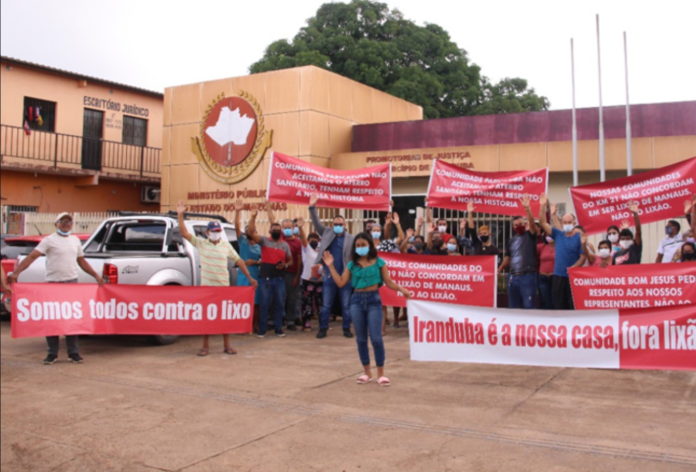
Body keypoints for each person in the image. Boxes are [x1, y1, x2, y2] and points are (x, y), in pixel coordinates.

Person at [7, 212, 104, 365]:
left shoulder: (75, 240)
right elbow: (32, 257)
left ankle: (74, 353)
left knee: (72, 319)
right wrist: (17, 272)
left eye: (69, 221)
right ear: (56, 224)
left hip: (71, 283)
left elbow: (81, 261)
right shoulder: (49, 240)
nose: (66, 224)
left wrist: (96, 276)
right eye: (62, 221)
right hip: (53, 284)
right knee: (52, 320)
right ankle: (52, 354)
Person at [322, 233, 411, 387]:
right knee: (361, 339)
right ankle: (367, 372)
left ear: (369, 245)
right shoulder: (352, 265)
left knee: (376, 339)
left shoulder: (379, 262)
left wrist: (402, 290)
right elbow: (341, 282)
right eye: (357, 246)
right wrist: (330, 266)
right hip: (356, 301)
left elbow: (388, 282)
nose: (360, 248)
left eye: (363, 245)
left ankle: (381, 374)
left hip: (373, 301)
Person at [177, 201, 256, 355]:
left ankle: (227, 345)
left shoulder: (226, 245)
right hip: (207, 288)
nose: (216, 233)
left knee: (223, 318)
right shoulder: (201, 243)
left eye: (218, 230)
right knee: (207, 319)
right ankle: (205, 347)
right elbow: (184, 233)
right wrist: (180, 215)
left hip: (223, 288)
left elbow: (239, 261)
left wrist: (250, 277)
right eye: (213, 231)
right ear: (208, 232)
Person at [309, 193, 355, 339]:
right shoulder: (327, 233)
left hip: (345, 276)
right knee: (327, 305)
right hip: (329, 275)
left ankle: (346, 328)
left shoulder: (352, 238)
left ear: (345, 225)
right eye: (335, 224)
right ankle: (323, 328)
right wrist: (312, 207)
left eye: (340, 224)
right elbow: (316, 223)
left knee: (346, 305)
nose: (337, 226)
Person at [247, 206, 293, 338]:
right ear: (270, 231)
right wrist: (253, 217)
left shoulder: (285, 245)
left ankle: (278, 328)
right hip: (265, 279)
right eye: (274, 230)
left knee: (279, 304)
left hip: (279, 279)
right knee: (265, 303)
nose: (277, 231)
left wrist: (285, 265)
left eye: (279, 230)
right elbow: (251, 233)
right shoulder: (264, 241)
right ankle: (262, 329)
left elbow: (291, 261)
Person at [539, 193, 584, 310]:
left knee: (572, 307)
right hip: (558, 277)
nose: (567, 224)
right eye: (565, 222)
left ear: (574, 223)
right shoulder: (558, 234)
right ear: (562, 223)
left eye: (570, 222)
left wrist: (572, 269)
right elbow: (543, 223)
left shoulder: (579, 237)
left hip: (572, 278)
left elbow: (582, 257)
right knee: (559, 306)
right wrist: (542, 206)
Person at [497, 196, 538, 309]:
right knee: (513, 307)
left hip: (527, 276)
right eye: (516, 225)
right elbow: (508, 257)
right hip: (512, 277)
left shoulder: (530, 235)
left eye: (520, 224)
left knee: (528, 306)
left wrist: (527, 209)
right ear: (513, 227)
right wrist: (500, 268)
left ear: (524, 224)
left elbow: (532, 224)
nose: (518, 226)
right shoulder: (512, 240)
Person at [267, 207, 303, 331]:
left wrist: (297, 276)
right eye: (285, 227)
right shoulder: (280, 237)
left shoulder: (297, 242)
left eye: (289, 227)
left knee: (292, 299)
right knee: (276, 298)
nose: (287, 230)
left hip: (292, 274)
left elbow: (299, 261)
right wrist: (268, 208)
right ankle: (273, 320)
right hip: (278, 273)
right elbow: (272, 222)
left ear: (293, 228)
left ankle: (290, 321)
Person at [234, 201, 262, 333]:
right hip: (243, 277)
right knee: (242, 303)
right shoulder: (243, 242)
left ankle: (255, 325)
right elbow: (236, 227)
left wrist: (255, 262)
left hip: (255, 276)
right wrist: (237, 212)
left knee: (256, 303)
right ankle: (242, 326)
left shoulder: (259, 246)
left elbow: (264, 261)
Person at [296, 217, 323, 332]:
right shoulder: (306, 248)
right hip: (308, 280)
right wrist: (301, 228)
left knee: (321, 304)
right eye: (311, 239)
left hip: (320, 280)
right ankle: (306, 325)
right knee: (307, 303)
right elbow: (303, 238)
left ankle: (323, 324)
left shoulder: (321, 250)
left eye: (315, 240)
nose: (313, 241)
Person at [613, 201, 642, 266]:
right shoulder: (616, 254)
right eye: (623, 239)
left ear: (632, 240)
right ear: (619, 240)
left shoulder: (635, 249)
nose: (625, 240)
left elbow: (638, 232)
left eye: (628, 238)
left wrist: (635, 214)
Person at [536, 233, 555, 309]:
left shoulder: (559, 247)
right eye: (547, 235)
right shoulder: (542, 246)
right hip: (543, 277)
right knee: (544, 300)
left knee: (554, 300)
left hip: (554, 277)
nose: (549, 237)